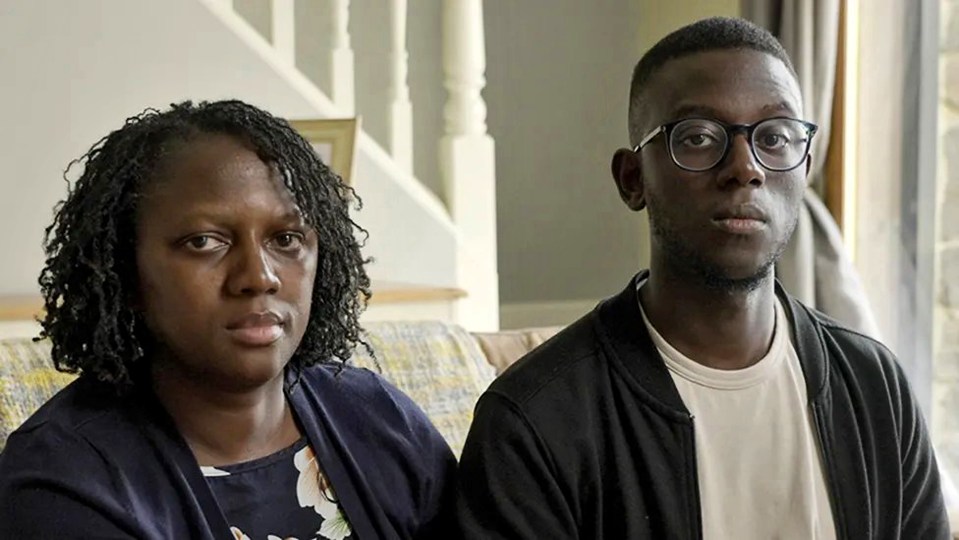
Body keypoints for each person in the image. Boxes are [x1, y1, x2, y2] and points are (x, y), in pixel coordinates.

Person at [456, 17, 951, 539]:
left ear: (803, 168)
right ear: (633, 179)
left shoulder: (875, 388)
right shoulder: (535, 422)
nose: (745, 167)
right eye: (698, 137)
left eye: (776, 136)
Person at [0, 100, 456, 539]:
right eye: (203, 241)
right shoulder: (62, 483)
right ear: (126, 272)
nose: (259, 276)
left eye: (286, 238)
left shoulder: (378, 419)